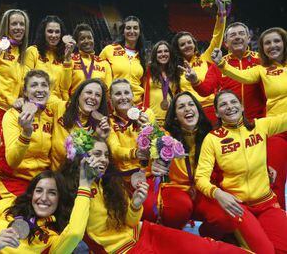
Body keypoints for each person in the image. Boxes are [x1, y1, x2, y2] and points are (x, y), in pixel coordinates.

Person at [61, 134, 247, 253]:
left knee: (207, 248)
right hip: (125, 251)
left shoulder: (108, 182)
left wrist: (135, 205)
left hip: (145, 232)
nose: (103, 159)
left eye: (105, 155)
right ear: (80, 156)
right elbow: (75, 233)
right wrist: (85, 184)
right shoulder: (70, 190)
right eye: (96, 154)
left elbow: (130, 222)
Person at [196, 90, 287, 253]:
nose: (229, 107)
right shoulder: (212, 139)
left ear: (242, 106)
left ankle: (233, 238)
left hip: (266, 202)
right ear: (216, 112)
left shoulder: (260, 126)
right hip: (238, 206)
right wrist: (218, 194)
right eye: (223, 104)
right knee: (266, 252)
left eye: (233, 102)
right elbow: (201, 178)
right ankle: (225, 237)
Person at [211, 27, 287, 210]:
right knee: (274, 181)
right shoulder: (262, 69)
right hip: (279, 131)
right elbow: (242, 76)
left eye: (276, 41)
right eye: (267, 43)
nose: (272, 46)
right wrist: (221, 63)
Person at [0, 168, 94, 253]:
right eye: (39, 191)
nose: (43, 198)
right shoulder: (10, 204)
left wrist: (85, 185)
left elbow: (75, 233)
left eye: (52, 193)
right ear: (31, 194)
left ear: (59, 198)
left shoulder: (54, 238)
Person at [151, 92, 216, 230]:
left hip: (202, 188)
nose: (187, 108)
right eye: (181, 106)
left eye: (191, 104)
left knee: (222, 216)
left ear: (198, 110)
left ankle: (206, 237)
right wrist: (154, 165)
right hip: (175, 188)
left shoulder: (211, 134)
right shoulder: (164, 136)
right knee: (179, 208)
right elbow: (149, 157)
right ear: (174, 116)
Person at [184, 22, 266, 121]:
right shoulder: (218, 64)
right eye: (233, 35)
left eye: (241, 33)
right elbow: (205, 90)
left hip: (260, 119)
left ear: (248, 39)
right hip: (231, 121)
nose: (237, 37)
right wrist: (195, 80)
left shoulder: (262, 60)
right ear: (226, 43)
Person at [0, 70, 55, 197]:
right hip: (14, 180)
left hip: (42, 181)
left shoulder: (51, 114)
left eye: (44, 85)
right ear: (25, 92)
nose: (40, 89)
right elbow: (12, 161)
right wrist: (26, 132)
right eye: (34, 85)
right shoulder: (13, 115)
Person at [106, 79, 156, 221]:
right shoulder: (108, 121)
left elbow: (158, 143)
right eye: (118, 94)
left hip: (146, 175)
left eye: (126, 92)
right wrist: (134, 153)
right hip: (121, 178)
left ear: (133, 96)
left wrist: (147, 130)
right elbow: (114, 150)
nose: (123, 97)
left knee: (150, 210)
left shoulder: (147, 113)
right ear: (111, 100)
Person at [171, 2, 226, 123]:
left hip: (211, 109)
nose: (187, 46)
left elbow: (218, 35)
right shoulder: (175, 68)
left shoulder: (206, 58)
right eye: (182, 44)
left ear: (194, 44)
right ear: (178, 48)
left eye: (189, 42)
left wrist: (221, 12)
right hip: (190, 114)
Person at [51, 78, 110, 171]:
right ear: (78, 94)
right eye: (89, 92)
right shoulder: (60, 107)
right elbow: (41, 97)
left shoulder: (101, 125)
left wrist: (102, 138)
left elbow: (98, 163)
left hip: (82, 179)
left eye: (98, 95)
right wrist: (22, 100)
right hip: (55, 177)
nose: (93, 97)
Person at [100, 16, 147, 104]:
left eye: (135, 28)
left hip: (136, 104)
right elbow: (98, 73)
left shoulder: (143, 56)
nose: (132, 31)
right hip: (115, 103)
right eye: (128, 28)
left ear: (140, 32)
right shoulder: (109, 50)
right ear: (123, 32)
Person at [25, 15, 72, 100]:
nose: (54, 35)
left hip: (57, 103)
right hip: (37, 101)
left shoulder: (64, 56)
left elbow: (65, 87)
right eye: (50, 31)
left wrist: (68, 59)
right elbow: (24, 81)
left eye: (57, 32)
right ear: (43, 33)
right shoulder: (32, 51)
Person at [66, 23, 112, 95]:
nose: (87, 41)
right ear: (77, 43)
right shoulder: (70, 61)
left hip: (97, 104)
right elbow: (64, 88)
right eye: (82, 38)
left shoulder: (104, 63)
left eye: (89, 38)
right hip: (75, 104)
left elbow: (108, 91)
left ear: (93, 40)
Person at [142, 41, 180, 125]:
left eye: (166, 51)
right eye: (159, 52)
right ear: (155, 55)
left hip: (170, 121)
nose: (163, 54)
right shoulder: (147, 71)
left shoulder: (174, 73)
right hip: (151, 119)